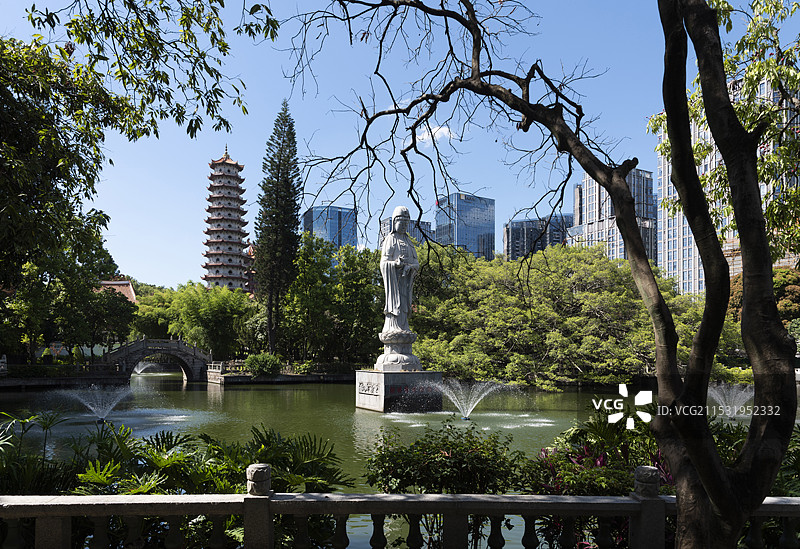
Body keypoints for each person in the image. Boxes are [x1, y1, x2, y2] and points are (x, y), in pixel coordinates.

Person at [380, 206, 419, 335]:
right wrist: (395, 264)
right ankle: (392, 326)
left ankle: (404, 326)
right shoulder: (390, 240)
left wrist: (410, 267)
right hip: (394, 282)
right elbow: (384, 263)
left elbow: (416, 264)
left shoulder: (409, 242)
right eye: (401, 223)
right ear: (394, 223)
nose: (403, 227)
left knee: (403, 305)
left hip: (405, 281)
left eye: (406, 224)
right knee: (395, 305)